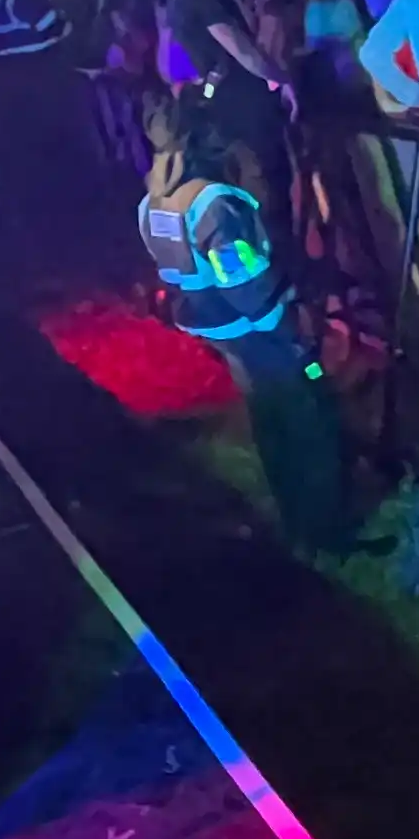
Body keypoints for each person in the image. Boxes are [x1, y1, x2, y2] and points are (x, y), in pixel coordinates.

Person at [137, 88, 348, 547]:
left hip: (221, 333)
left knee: (267, 415)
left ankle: (297, 520)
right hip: (261, 330)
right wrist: (291, 325)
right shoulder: (213, 203)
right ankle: (330, 528)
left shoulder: (151, 203)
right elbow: (244, 283)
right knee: (308, 416)